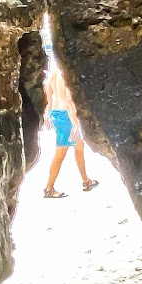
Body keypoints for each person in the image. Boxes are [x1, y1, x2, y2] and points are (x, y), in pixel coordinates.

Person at [43, 65, 98, 198]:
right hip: (66, 117)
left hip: (56, 114)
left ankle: (86, 181)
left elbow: (48, 97)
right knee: (60, 153)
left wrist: (47, 114)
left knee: (79, 146)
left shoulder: (53, 74)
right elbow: (69, 101)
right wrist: (75, 123)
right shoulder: (65, 74)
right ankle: (49, 189)